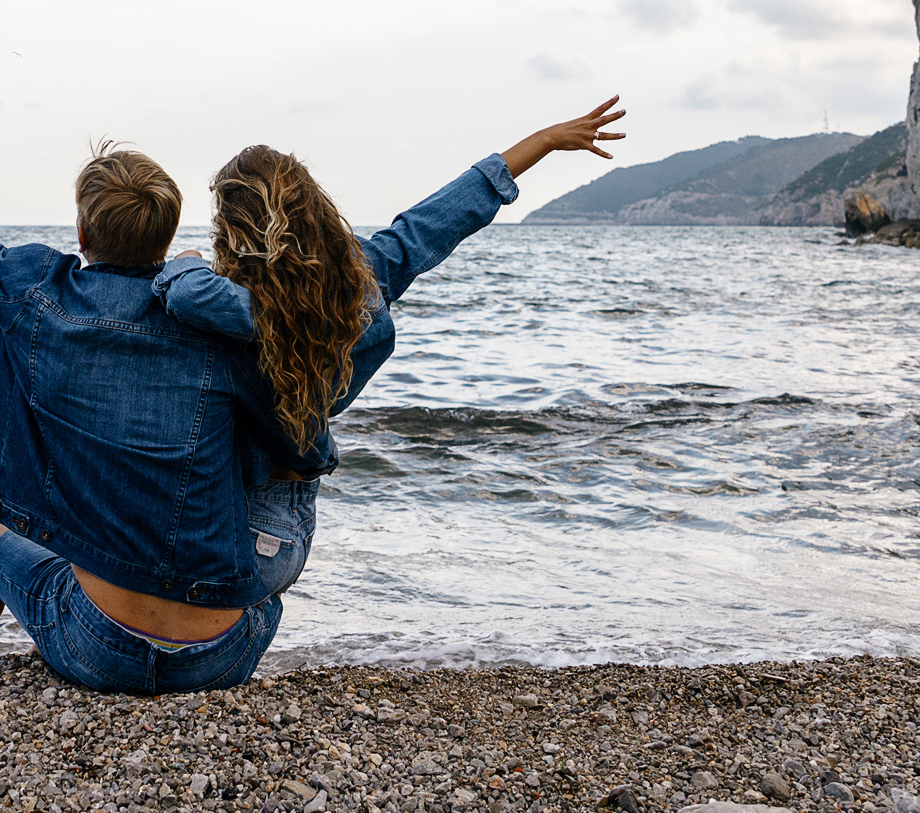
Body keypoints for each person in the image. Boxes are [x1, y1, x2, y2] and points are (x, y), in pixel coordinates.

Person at [0, 30, 280, 695]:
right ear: (166, 237)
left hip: (102, 648)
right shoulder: (215, 318)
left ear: (81, 233)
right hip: (229, 652)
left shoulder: (38, 295)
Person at [156, 105, 625, 600]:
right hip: (288, 528)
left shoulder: (225, 306)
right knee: (242, 610)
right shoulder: (361, 287)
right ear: (314, 212)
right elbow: (436, 221)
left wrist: (182, 264)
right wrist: (543, 141)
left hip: (225, 517)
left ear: (235, 229)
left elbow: (187, 294)